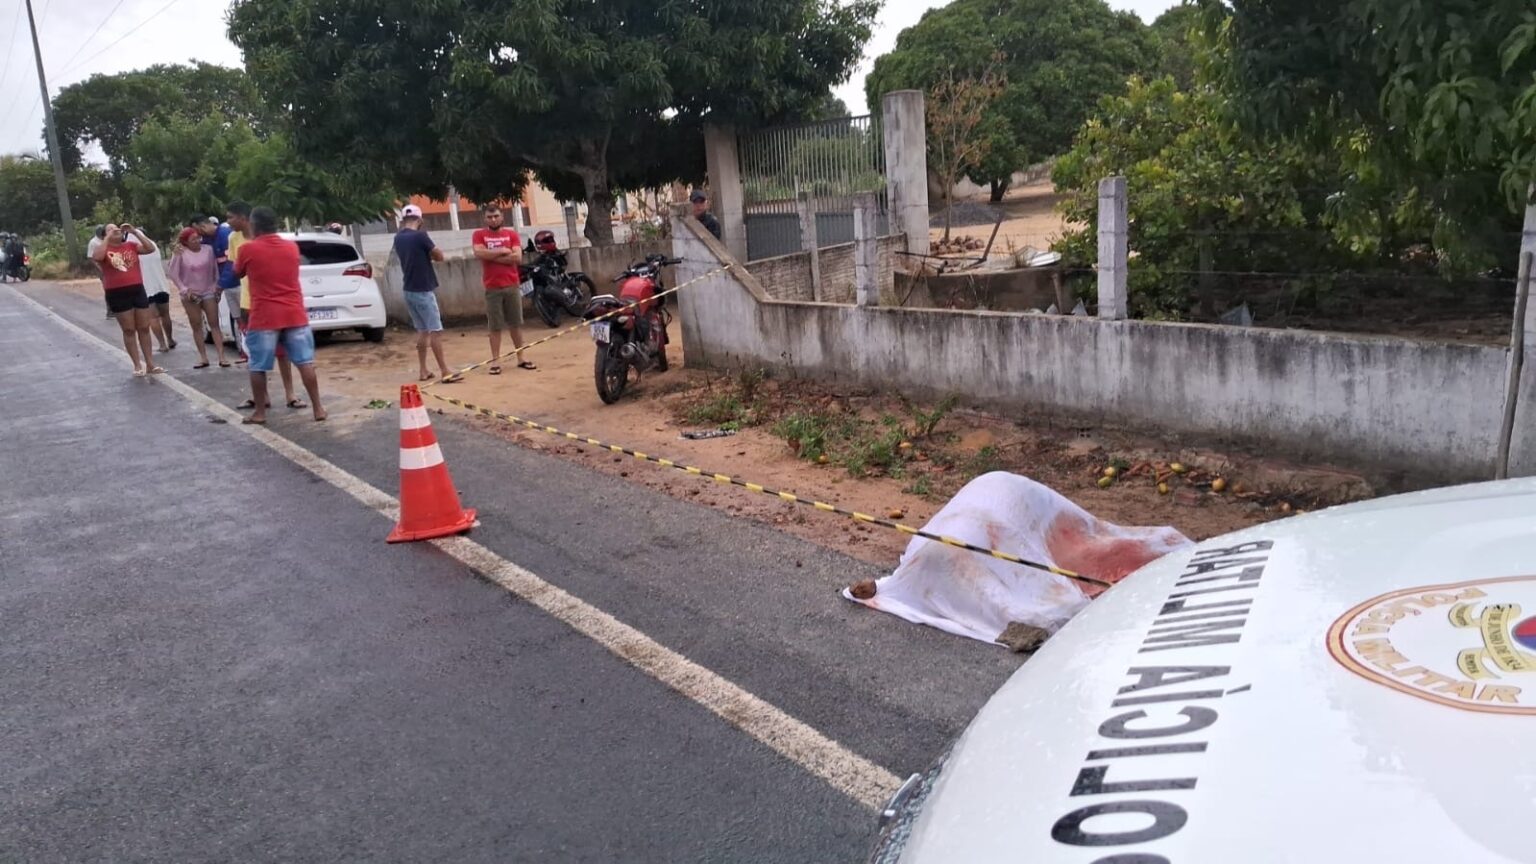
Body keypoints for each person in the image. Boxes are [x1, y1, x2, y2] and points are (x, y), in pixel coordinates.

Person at [235, 207, 325, 424]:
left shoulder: (248, 249)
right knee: (305, 362)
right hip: (294, 313)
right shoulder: (291, 247)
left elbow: (237, 272)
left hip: (264, 315)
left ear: (254, 226)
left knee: (258, 365)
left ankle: (260, 413)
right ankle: (318, 408)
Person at [393, 204, 458, 382]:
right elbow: (439, 256)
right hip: (423, 289)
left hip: (409, 289)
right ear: (420, 220)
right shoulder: (420, 236)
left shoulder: (398, 238)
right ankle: (445, 371)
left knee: (422, 331)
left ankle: (423, 370)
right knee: (435, 330)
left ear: (403, 220)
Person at [91, 223, 164, 377]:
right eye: (110, 229)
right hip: (117, 292)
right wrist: (107, 238)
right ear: (104, 235)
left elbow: (150, 248)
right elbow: (97, 257)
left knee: (144, 327)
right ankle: (137, 364)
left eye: (116, 228)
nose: (115, 230)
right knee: (129, 329)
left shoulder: (131, 245)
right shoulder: (104, 249)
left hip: (137, 289)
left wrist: (135, 232)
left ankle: (150, 363)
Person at [471, 204, 536, 373]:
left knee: (515, 324)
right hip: (492, 287)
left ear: (502, 216)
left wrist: (491, 256)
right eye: (489, 217)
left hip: (512, 285)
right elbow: (479, 253)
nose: (493, 219)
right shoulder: (479, 235)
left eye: (496, 216)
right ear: (485, 218)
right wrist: (502, 251)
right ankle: (495, 362)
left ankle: (521, 357)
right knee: (495, 326)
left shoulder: (511, 234)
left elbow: (517, 257)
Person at [167, 226, 229, 368]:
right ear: (185, 242)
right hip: (190, 293)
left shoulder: (208, 250)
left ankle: (221, 356)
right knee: (196, 325)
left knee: (214, 324)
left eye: (198, 238)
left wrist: (216, 286)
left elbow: (214, 269)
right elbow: (173, 274)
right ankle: (203, 357)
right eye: (193, 239)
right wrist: (184, 289)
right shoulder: (180, 253)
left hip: (208, 290)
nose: (196, 241)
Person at [139, 233, 176, 353]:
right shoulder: (153, 246)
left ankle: (162, 344)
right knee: (165, 314)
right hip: (161, 284)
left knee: (153, 317)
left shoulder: (135, 250)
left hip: (145, 287)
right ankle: (170, 339)